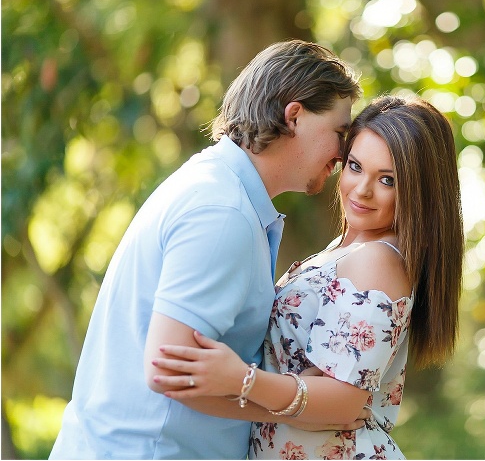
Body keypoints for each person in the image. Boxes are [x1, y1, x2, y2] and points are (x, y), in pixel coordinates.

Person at [50, 40, 364, 460]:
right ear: (294, 117)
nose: (344, 155)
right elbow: (169, 371)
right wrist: (299, 410)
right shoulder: (223, 212)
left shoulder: (219, 190)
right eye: (340, 133)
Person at [150, 95, 465, 459]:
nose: (362, 189)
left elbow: (343, 401)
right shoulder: (345, 251)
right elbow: (322, 389)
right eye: (355, 166)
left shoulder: (377, 260)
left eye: (387, 180)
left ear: (419, 190)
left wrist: (241, 380)